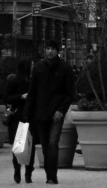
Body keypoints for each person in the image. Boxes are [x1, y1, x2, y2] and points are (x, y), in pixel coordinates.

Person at [23, 40, 75, 186]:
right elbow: (32, 92)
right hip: (40, 113)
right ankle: (49, 173)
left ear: (57, 51)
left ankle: (52, 176)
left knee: (52, 143)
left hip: (56, 114)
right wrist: (26, 113)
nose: (50, 51)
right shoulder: (38, 68)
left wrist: (61, 109)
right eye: (47, 48)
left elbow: (70, 93)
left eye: (52, 48)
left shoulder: (65, 68)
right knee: (46, 145)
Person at [6, 58, 35, 184]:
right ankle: (17, 169)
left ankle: (28, 172)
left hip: (31, 115)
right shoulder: (14, 81)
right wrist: (21, 96)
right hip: (18, 115)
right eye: (32, 64)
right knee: (18, 144)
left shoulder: (34, 81)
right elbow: (7, 97)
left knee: (30, 145)